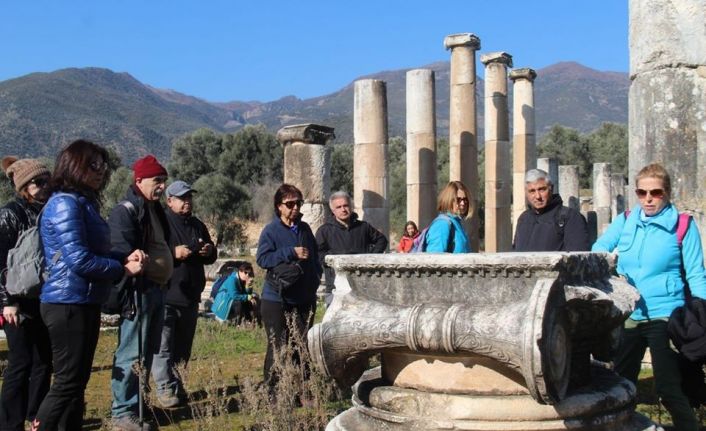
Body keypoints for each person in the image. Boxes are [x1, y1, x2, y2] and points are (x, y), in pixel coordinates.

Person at [32, 140, 144, 430]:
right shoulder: (64, 203)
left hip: (82, 300)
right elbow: (79, 260)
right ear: (74, 165)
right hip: (67, 303)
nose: (100, 171)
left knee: (77, 383)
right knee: (67, 383)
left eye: (103, 165)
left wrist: (121, 256)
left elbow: (95, 251)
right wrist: (122, 268)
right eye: (93, 164)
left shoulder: (82, 203)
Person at [592, 163, 706, 431]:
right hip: (631, 312)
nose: (648, 199)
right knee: (619, 381)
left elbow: (697, 274)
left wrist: (701, 313)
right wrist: (611, 264)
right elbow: (600, 247)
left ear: (666, 193)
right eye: (642, 193)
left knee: (668, 387)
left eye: (655, 192)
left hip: (665, 313)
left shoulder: (683, 225)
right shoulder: (626, 219)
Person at [108, 155, 172, 431]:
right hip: (138, 291)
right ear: (139, 181)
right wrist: (131, 258)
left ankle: (139, 406)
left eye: (163, 181)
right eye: (157, 181)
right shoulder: (126, 210)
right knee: (131, 352)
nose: (161, 187)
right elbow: (120, 249)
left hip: (156, 290)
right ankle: (122, 414)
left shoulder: (153, 208)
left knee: (146, 351)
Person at [151, 180, 217, 408]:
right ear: (169, 201)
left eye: (189, 197)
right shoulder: (162, 223)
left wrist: (209, 250)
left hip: (190, 295)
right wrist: (173, 252)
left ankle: (177, 385)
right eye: (182, 198)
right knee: (164, 346)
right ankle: (164, 389)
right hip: (167, 293)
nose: (187, 202)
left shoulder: (197, 224)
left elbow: (210, 254)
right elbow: (151, 251)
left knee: (183, 347)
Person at [0, 157, 52, 431]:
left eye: (47, 180)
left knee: (43, 361)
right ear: (23, 186)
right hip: (17, 301)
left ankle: (36, 417)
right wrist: (7, 302)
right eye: (37, 182)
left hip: (43, 298)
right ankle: (9, 423)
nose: (44, 186)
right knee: (20, 363)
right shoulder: (10, 214)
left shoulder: (47, 211)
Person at [256, 184, 322, 387]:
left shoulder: (304, 229)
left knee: (302, 346)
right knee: (278, 345)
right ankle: (274, 392)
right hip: (276, 298)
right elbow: (263, 259)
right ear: (279, 207)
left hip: (303, 298)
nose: (295, 207)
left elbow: (314, 257)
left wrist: (315, 279)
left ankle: (303, 389)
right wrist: (290, 252)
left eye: (298, 203)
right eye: (290, 204)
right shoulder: (271, 231)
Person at [315, 191, 387, 305]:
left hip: (363, 284)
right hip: (336, 284)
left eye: (346, 205)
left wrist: (370, 257)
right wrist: (332, 262)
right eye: (339, 207)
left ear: (351, 206)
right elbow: (318, 253)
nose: (343, 209)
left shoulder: (363, 227)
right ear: (333, 211)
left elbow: (382, 240)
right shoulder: (324, 231)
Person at [513, 169, 589, 252]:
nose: (538, 196)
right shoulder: (524, 218)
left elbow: (578, 257)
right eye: (532, 191)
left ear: (551, 189)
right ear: (526, 193)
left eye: (542, 189)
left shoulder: (570, 217)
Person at [424, 181, 472, 253]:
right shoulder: (442, 224)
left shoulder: (457, 223)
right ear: (449, 200)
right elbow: (434, 259)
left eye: (465, 200)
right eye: (458, 199)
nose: (463, 203)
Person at [211, 261, 261, 326]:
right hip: (224, 305)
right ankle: (238, 323)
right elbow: (234, 295)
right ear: (240, 271)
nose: (247, 275)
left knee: (250, 300)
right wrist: (249, 297)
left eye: (249, 273)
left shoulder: (242, 280)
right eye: (245, 272)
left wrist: (249, 285)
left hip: (230, 303)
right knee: (239, 302)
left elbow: (246, 294)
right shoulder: (232, 279)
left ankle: (249, 321)